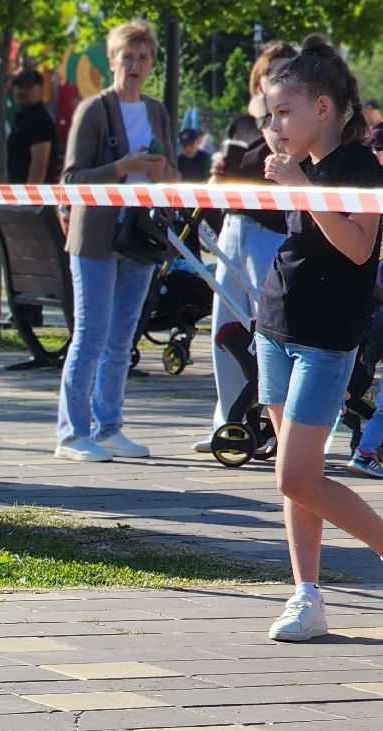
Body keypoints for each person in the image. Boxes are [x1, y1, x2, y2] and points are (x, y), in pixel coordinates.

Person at [249, 39, 383, 641]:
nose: (273, 125)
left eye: (283, 112)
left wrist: (302, 186)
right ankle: (306, 594)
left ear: (323, 108)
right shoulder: (299, 167)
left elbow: (357, 249)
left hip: (328, 338)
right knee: (292, 471)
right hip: (276, 324)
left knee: (294, 476)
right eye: (269, 114)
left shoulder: (357, 167)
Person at [54, 21, 172, 462]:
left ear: (152, 63)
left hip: (141, 237)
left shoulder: (157, 111)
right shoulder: (93, 109)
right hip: (96, 240)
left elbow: (174, 174)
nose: (136, 66)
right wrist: (122, 166)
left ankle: (109, 427)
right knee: (90, 335)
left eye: (143, 58)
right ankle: (70, 434)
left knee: (122, 339)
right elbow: (71, 178)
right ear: (113, 60)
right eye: (128, 57)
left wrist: (162, 172)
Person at [198, 40, 299, 454]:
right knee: (225, 328)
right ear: (257, 79)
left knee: (270, 331)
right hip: (233, 226)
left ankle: (279, 428)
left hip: (271, 231)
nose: (272, 80)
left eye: (283, 72)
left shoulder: (290, 124)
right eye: (267, 73)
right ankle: (229, 423)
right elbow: (225, 177)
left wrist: (270, 123)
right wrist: (217, 175)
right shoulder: (241, 122)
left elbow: (286, 163)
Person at [5, 69, 57, 327]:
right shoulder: (22, 117)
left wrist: (28, 199)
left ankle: (31, 315)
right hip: (18, 198)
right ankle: (21, 312)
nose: (20, 91)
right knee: (21, 260)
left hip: (32, 201)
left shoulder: (39, 121)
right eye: (17, 86)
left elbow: (39, 162)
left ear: (39, 88)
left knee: (32, 261)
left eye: (26, 86)